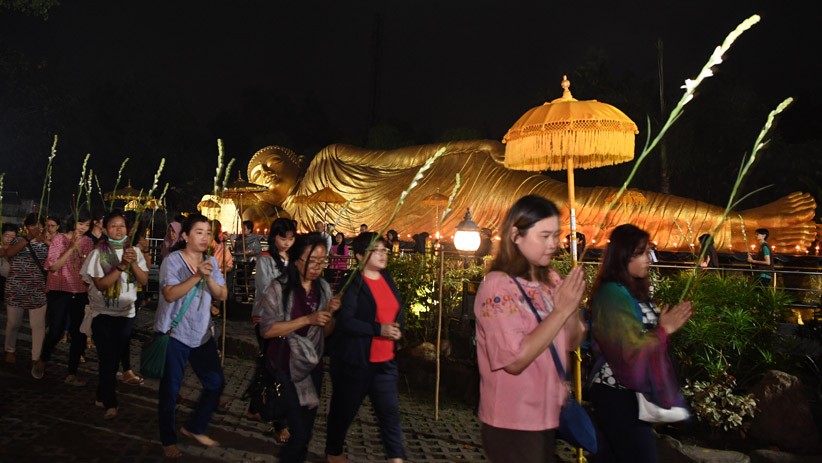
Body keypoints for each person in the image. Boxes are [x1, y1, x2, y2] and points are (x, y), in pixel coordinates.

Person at [242, 142, 816, 251]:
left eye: (271, 161)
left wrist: (471, 146)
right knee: (576, 218)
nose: (267, 172)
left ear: (291, 157)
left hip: (461, 182)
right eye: (258, 173)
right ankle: (740, 227)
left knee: (583, 205)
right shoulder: (295, 219)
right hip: (438, 223)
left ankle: (741, 225)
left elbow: (400, 159)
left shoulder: (328, 160)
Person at [473, 195, 586, 463]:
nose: (553, 244)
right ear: (516, 235)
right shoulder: (498, 287)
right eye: (544, 235)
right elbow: (514, 360)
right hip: (512, 420)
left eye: (556, 235)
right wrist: (559, 311)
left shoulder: (552, 280)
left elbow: (573, 340)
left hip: (547, 415)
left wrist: (569, 309)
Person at [588, 224, 693, 463]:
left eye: (649, 252)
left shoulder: (629, 290)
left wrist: (662, 329)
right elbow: (628, 350)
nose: (650, 259)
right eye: (644, 252)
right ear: (625, 255)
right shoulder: (612, 294)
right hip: (617, 394)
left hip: (627, 395)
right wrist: (664, 329)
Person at [257, 232, 340, 463]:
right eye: (311, 261)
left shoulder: (323, 288)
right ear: (296, 259)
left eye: (322, 261)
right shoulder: (279, 288)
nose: (317, 267)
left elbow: (325, 332)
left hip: (312, 367)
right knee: (300, 432)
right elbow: (267, 330)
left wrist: (330, 315)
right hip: (285, 368)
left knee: (306, 430)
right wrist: (307, 319)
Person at [325, 232, 406, 463]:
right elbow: (346, 321)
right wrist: (379, 329)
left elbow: (397, 310)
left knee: (389, 414)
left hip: (385, 362)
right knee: (344, 411)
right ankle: (334, 451)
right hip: (356, 362)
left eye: (384, 250)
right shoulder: (352, 283)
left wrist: (399, 328)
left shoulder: (387, 278)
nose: (383, 254)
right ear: (360, 255)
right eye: (376, 250)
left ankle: (396, 458)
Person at [154, 214, 228, 458]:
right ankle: (168, 439)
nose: (205, 236)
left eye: (208, 232)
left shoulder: (211, 262)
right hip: (175, 334)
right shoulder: (173, 261)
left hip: (201, 335)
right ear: (185, 236)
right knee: (170, 391)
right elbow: (170, 294)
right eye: (199, 232)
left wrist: (208, 276)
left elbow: (222, 294)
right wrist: (196, 276)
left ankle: (194, 426)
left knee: (216, 383)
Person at [79, 210, 149, 419]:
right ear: (106, 229)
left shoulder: (134, 251)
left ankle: (101, 394)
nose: (118, 230)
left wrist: (133, 262)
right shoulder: (97, 253)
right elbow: (100, 285)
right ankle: (111, 402)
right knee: (107, 359)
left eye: (122, 226)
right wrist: (121, 266)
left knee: (112, 359)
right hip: (102, 313)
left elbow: (144, 281)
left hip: (126, 314)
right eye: (113, 226)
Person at [248, 217, 296, 443]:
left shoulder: (295, 259)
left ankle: (254, 406)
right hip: (267, 319)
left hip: (289, 319)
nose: (287, 243)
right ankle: (280, 423)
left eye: (291, 238)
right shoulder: (265, 259)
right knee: (277, 369)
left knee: (270, 366)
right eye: (282, 237)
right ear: (273, 237)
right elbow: (265, 288)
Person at [39, 210, 94, 386]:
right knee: (56, 330)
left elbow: (88, 266)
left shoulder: (88, 241)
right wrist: (70, 249)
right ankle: (43, 358)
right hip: (59, 289)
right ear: (73, 222)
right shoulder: (59, 239)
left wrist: (80, 251)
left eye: (87, 225)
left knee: (78, 334)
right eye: (81, 223)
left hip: (79, 292)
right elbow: (53, 266)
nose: (83, 228)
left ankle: (72, 373)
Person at [2, 213, 48, 373]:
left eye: (39, 225)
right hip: (16, 289)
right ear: (26, 227)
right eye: (33, 225)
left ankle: (36, 357)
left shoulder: (48, 244)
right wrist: (28, 238)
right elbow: (9, 253)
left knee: (38, 326)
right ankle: (10, 350)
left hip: (37, 290)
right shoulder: (18, 240)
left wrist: (47, 242)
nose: (37, 229)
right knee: (14, 323)